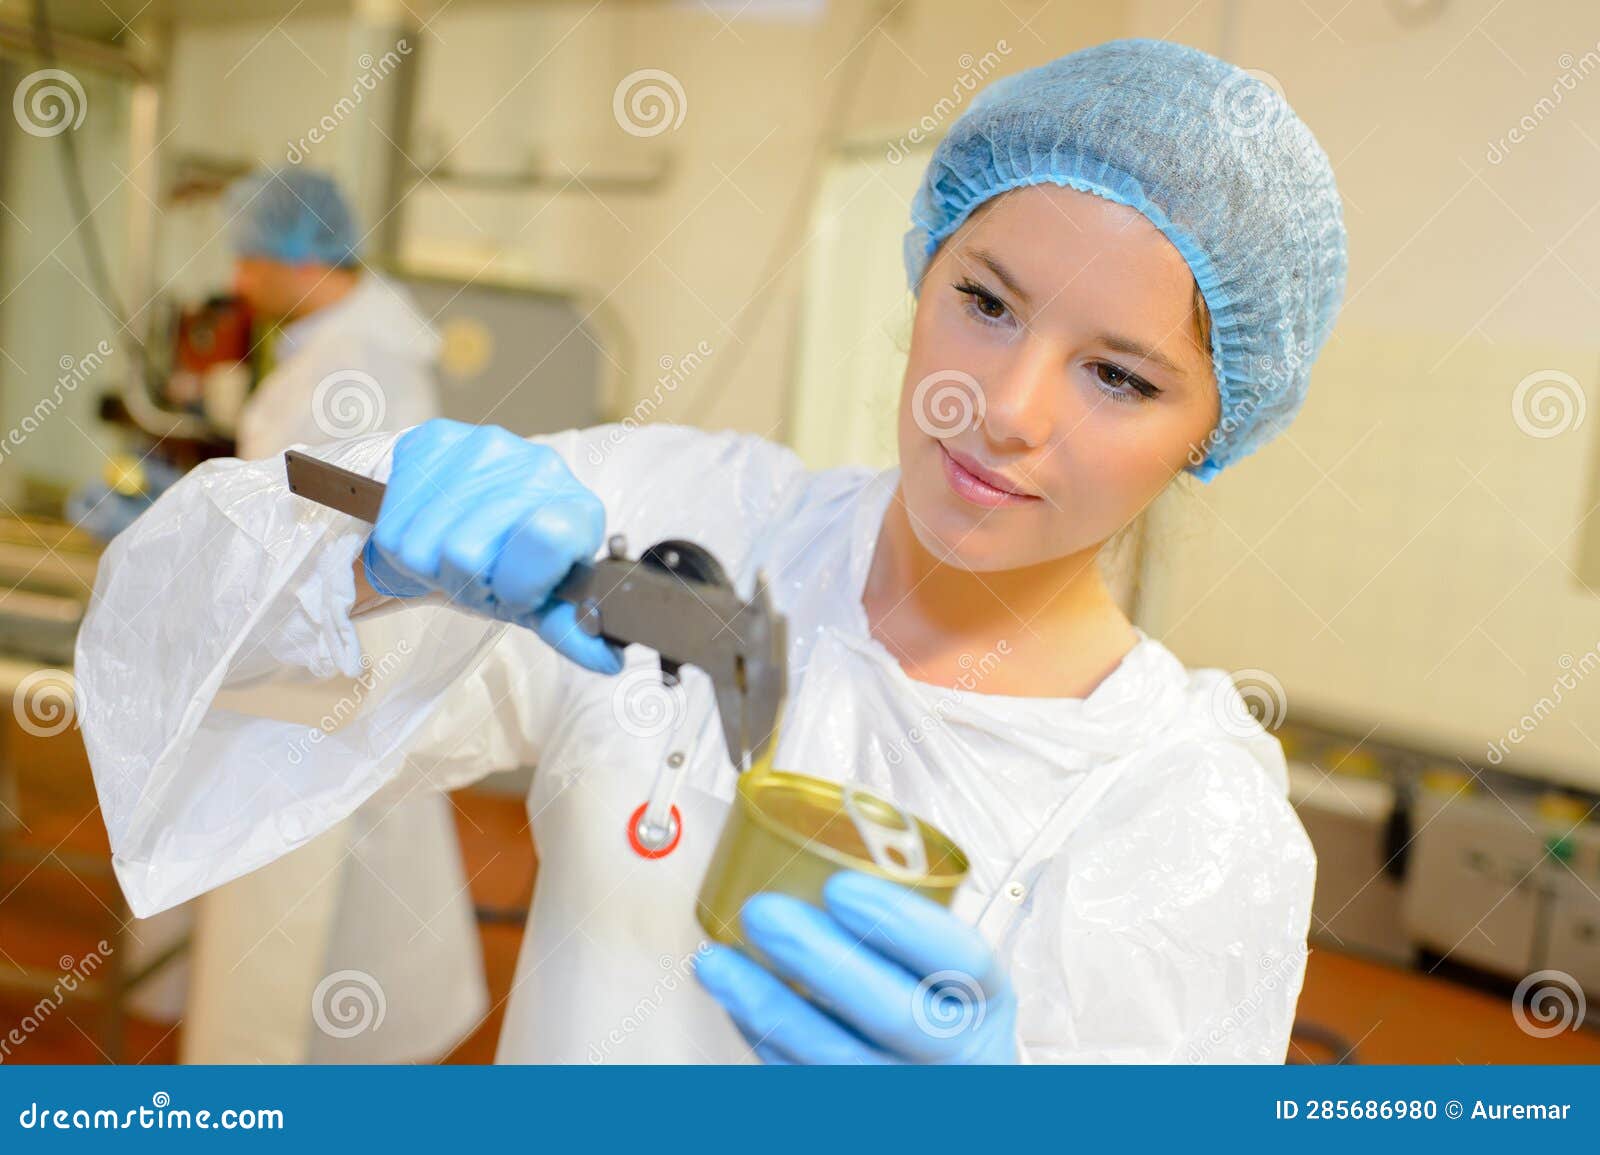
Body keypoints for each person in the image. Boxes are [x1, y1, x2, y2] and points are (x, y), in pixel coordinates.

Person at [77, 39, 1346, 1063]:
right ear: (922, 272)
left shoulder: (1189, 819)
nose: (1005, 408)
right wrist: (358, 569)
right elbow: (186, 678)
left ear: (1210, 432)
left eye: (1119, 376)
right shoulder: (684, 531)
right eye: (985, 301)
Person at [178, 168, 486, 1063]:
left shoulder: (358, 362)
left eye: (247, 255)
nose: (237, 281)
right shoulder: (336, 346)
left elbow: (334, 526)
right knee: (332, 901)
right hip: (319, 663)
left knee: (304, 910)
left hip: (325, 669)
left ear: (295, 253)